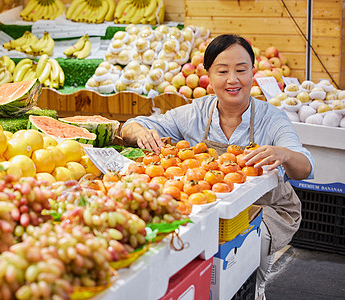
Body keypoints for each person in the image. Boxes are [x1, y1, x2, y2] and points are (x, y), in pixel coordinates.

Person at [121, 34, 314, 299]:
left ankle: (255, 286)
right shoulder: (194, 112)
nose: (233, 80)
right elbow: (131, 125)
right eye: (222, 71)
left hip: (266, 208)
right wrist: (139, 132)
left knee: (246, 258)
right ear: (209, 76)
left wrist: (284, 154)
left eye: (241, 70)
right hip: (208, 205)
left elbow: (304, 168)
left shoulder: (272, 118)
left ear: (253, 73)